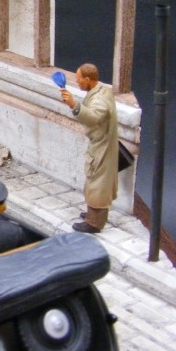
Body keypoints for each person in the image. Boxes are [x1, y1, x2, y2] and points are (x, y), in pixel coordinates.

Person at [60, 63, 119, 233]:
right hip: (101, 142)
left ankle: (94, 223)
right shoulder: (102, 90)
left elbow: (93, 118)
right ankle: (93, 213)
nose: (77, 82)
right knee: (95, 182)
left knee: (98, 184)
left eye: (79, 79)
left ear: (87, 79)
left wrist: (74, 105)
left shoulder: (99, 100)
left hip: (102, 146)